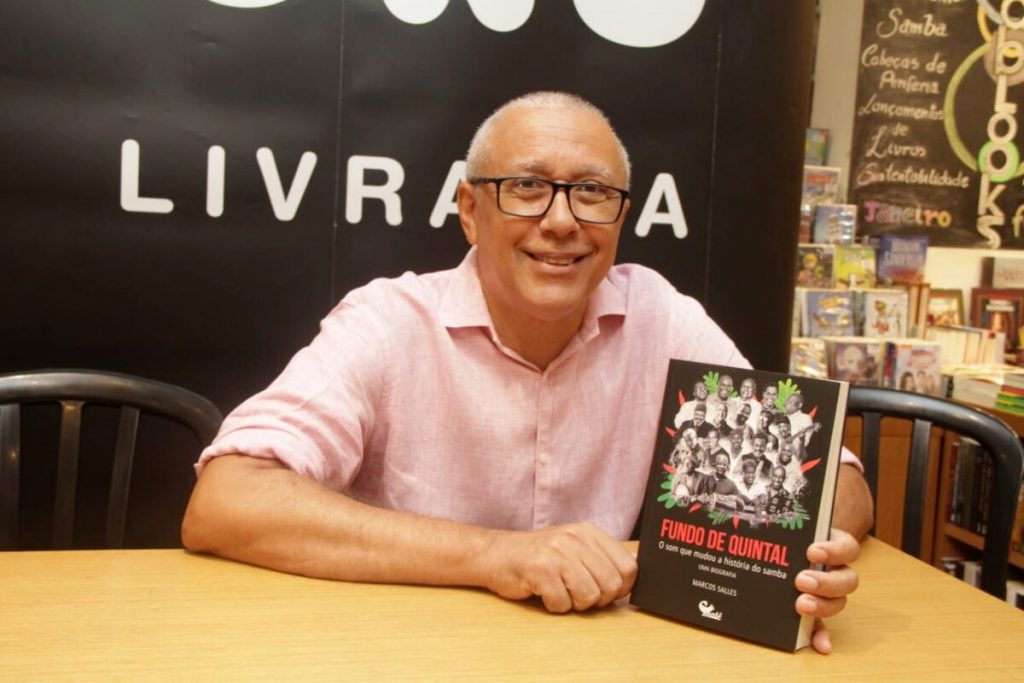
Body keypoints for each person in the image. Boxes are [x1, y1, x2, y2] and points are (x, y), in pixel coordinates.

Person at [181, 91, 872, 654]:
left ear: (621, 217)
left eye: (592, 192)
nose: (562, 220)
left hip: (598, 659)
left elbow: (839, 480)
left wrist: (812, 553)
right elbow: (227, 499)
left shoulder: (661, 316)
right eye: (527, 187)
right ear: (470, 210)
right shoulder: (389, 321)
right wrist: (495, 555)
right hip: (400, 653)